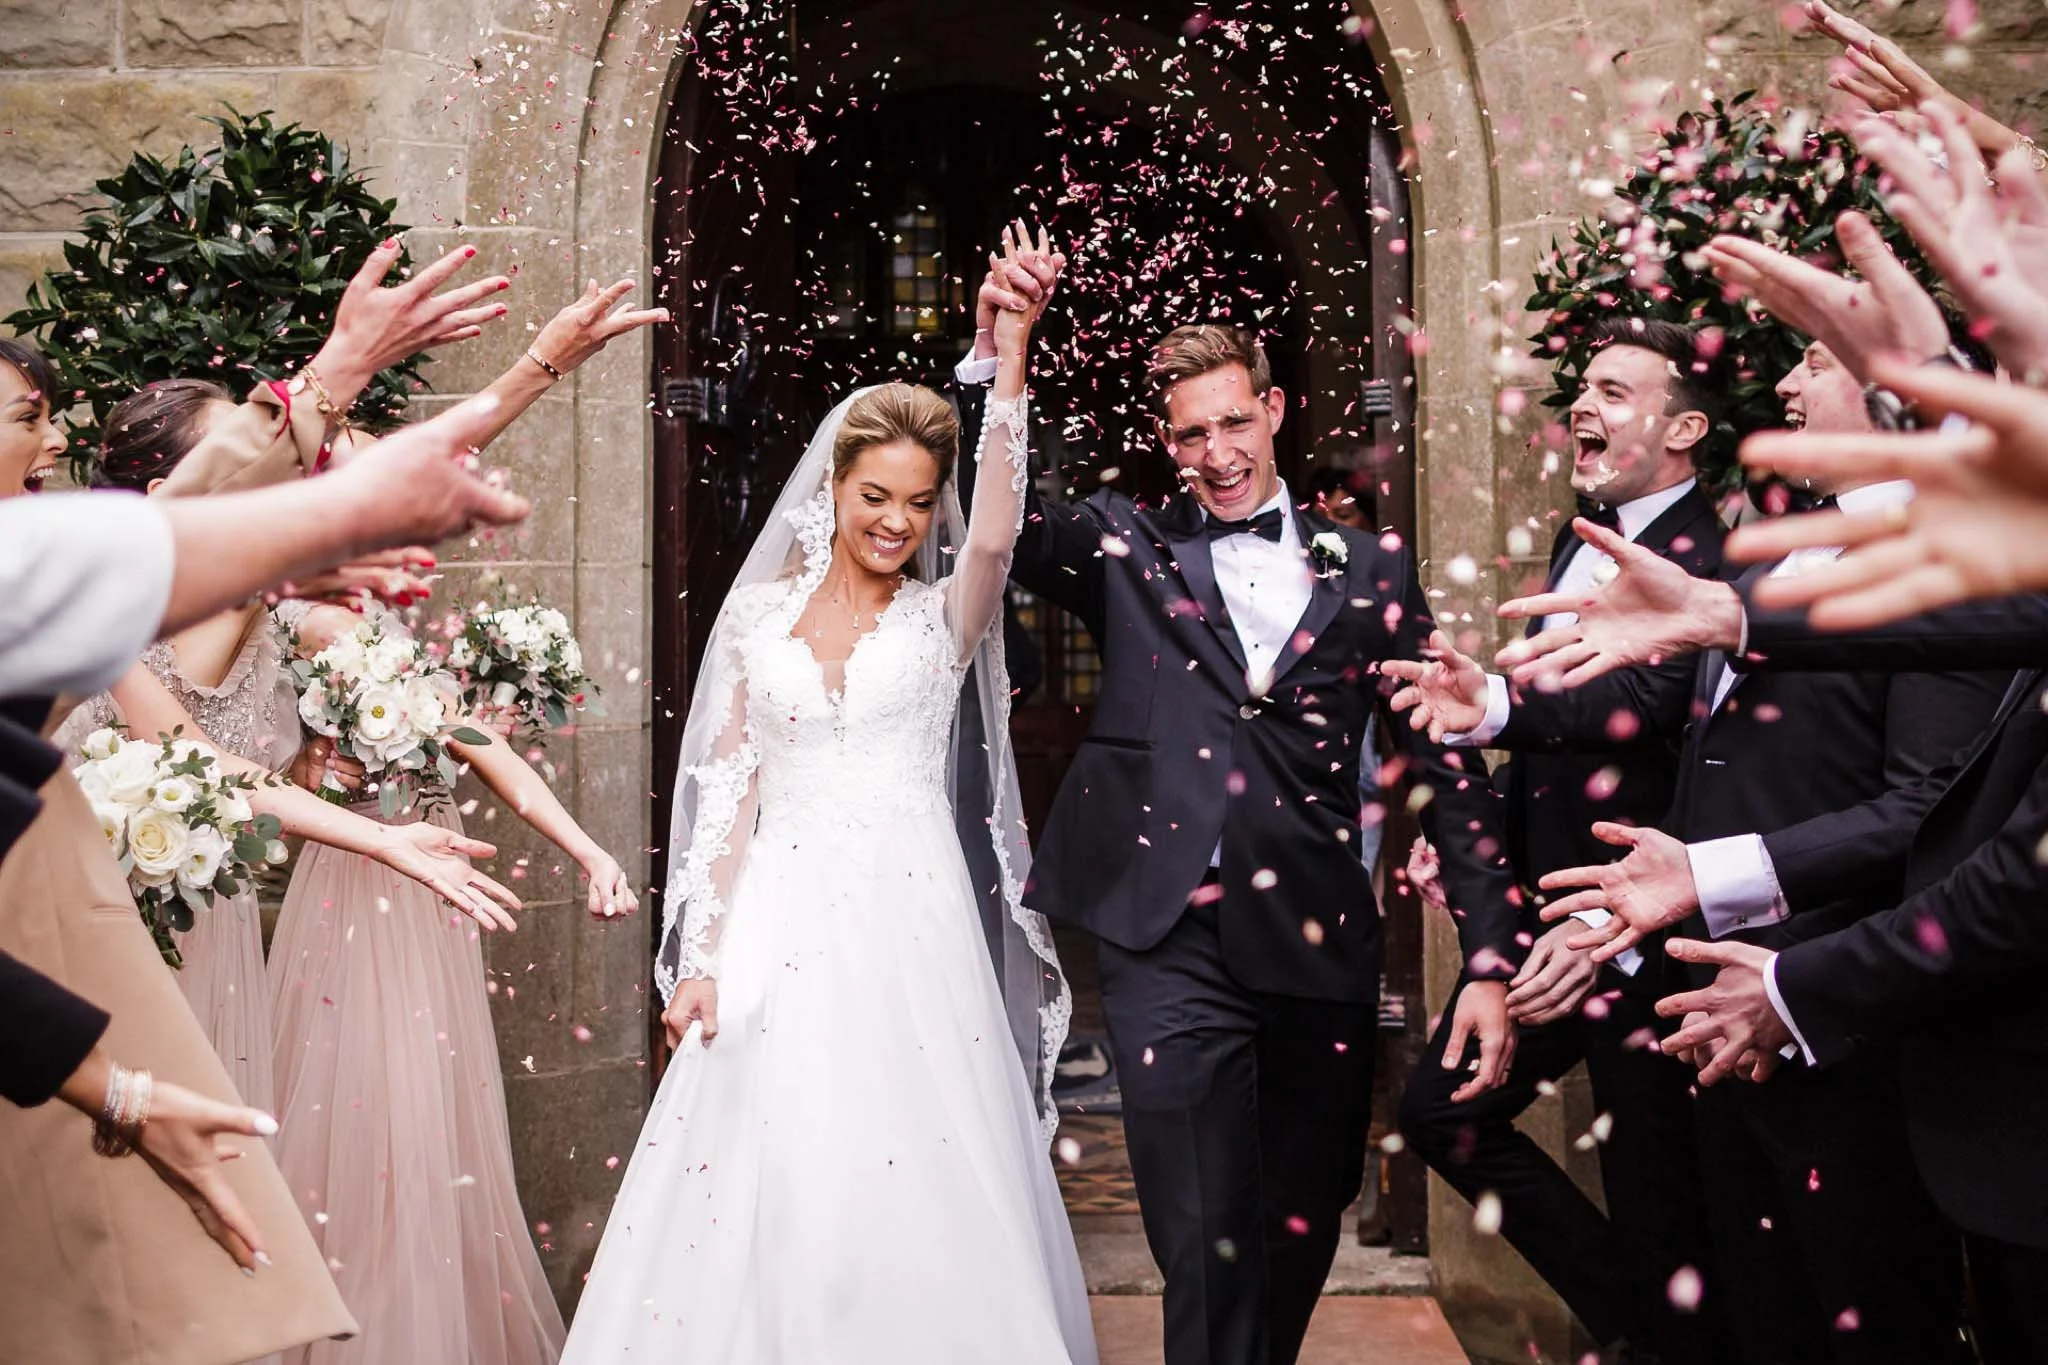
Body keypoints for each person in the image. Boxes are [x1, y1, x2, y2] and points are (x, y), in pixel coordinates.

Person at [561, 226, 1094, 1363]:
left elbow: (993, 530)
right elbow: (727, 794)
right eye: (874, 495)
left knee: (921, 1149)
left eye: (914, 501)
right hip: (780, 919)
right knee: (777, 1153)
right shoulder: (757, 623)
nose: (896, 521)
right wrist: (697, 957)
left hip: (912, 920)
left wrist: (1012, 361)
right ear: (833, 492)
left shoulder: (943, 620)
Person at [957, 299, 1522, 1361]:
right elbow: (1005, 523)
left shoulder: (1373, 570)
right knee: (1202, 1233)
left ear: (1272, 411)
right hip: (1164, 935)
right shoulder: (1125, 545)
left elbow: (1444, 758)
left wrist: (1488, 958)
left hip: (1316, 936)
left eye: (1232, 425)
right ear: (1165, 443)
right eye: (1188, 435)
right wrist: (1001, 360)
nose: (1214, 455)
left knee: (1297, 1219)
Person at [1396, 318, 1730, 1364]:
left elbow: (1642, 708)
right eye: (1580, 388)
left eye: (1613, 391)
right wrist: (1470, 841)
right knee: (1441, 1113)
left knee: (1656, 1193)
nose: (1581, 406)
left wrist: (1488, 702)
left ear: (1684, 427)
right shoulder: (1572, 543)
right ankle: (1636, 1326)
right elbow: (1555, 744)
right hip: (1548, 926)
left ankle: (1664, 1339)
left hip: (1649, 934)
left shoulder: (1710, 562)